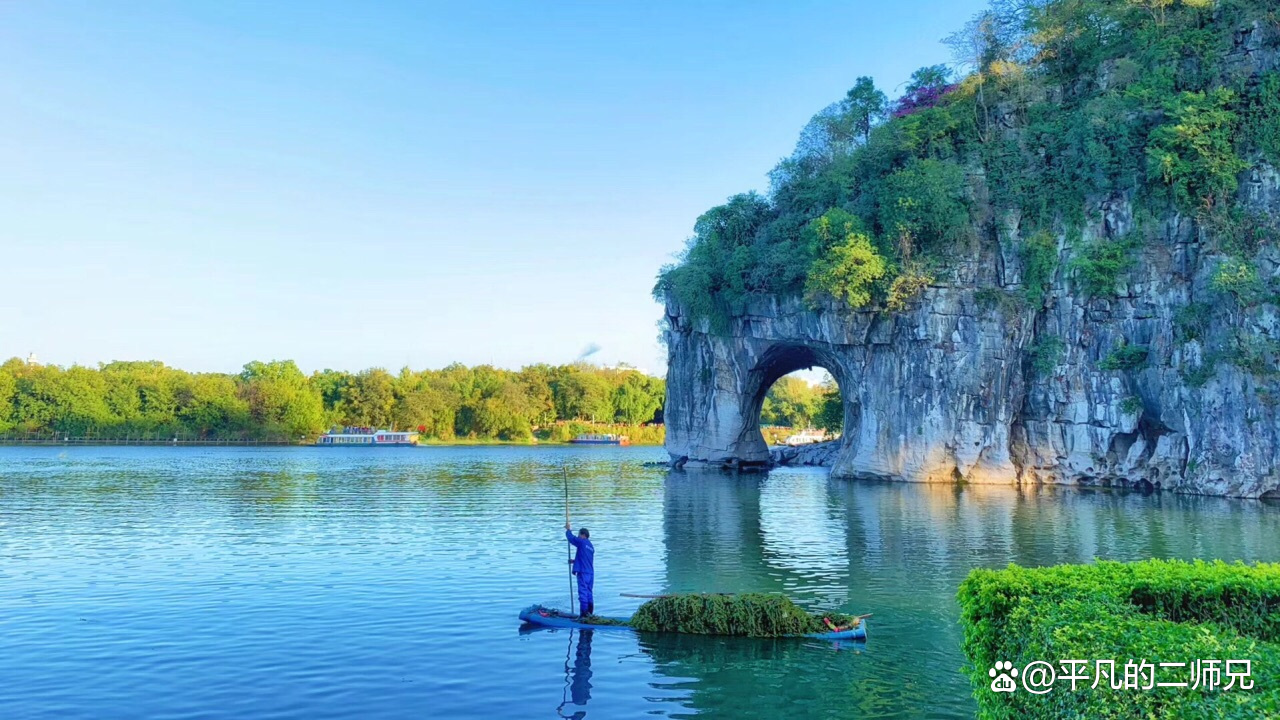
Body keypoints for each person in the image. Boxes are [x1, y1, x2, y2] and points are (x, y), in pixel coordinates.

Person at [565, 522, 594, 617]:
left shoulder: (582, 542)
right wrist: (574, 561)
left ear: (583, 535)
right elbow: (585, 559)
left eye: (579, 535)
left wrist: (568, 529)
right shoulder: (591, 546)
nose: (578, 536)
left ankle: (584, 614)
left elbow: (571, 539)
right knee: (589, 592)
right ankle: (590, 612)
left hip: (583, 573)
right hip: (590, 573)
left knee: (583, 592)